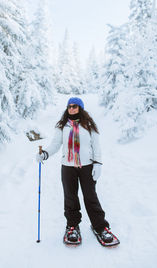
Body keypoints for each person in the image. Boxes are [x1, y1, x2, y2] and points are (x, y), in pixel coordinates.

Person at [36, 97, 114, 244]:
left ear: (80, 108)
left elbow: (96, 146)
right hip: (68, 167)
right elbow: (55, 144)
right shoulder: (62, 126)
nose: (71, 109)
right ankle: (72, 226)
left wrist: (98, 163)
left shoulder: (89, 125)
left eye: (75, 106)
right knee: (70, 197)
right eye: (69, 106)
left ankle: (100, 226)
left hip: (87, 166)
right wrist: (45, 153)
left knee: (90, 197)